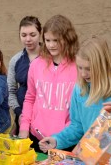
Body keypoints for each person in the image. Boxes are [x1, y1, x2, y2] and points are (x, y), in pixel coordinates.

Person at [39, 37, 111, 164]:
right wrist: (57, 140)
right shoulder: (79, 90)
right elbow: (77, 126)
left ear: (102, 65)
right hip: (90, 159)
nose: (83, 74)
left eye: (88, 68)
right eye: (80, 68)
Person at [19, 15, 79, 152]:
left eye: (56, 40)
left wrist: (64, 136)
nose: (51, 45)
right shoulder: (36, 65)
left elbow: (81, 108)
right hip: (36, 138)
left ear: (68, 38)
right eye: (47, 40)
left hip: (66, 140)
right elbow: (30, 98)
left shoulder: (78, 67)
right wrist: (24, 128)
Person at [8, 16, 42, 134]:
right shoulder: (15, 60)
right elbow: (10, 91)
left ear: (40, 34)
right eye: (23, 35)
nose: (28, 39)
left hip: (44, 118)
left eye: (33, 35)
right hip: (22, 117)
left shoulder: (50, 58)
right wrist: (18, 112)